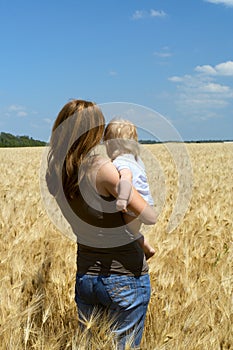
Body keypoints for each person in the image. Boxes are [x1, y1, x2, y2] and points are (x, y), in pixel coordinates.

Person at [46, 99, 156, 349]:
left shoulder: (55, 171)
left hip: (85, 276)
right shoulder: (103, 169)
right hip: (123, 277)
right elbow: (148, 215)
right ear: (95, 131)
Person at [104, 118, 156, 260]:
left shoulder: (120, 161)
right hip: (146, 203)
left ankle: (148, 249)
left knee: (127, 231)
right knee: (133, 231)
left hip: (133, 206)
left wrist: (121, 199)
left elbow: (126, 178)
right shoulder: (137, 160)